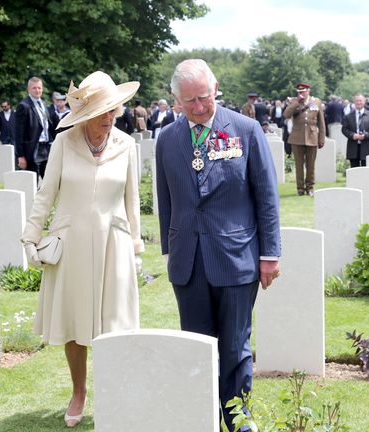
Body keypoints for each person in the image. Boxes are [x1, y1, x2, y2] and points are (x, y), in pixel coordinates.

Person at [155, 59, 281, 430]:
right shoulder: (167, 138)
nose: (197, 107)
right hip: (188, 261)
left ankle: (238, 418)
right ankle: (202, 414)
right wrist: (170, 248)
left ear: (216, 89)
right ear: (175, 100)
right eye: (188, 100)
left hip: (236, 257)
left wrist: (270, 254)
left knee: (235, 345)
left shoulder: (245, 130)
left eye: (204, 97)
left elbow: (267, 196)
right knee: (197, 343)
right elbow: (166, 199)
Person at [21, 71, 143, 428]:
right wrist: (30, 235)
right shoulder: (64, 143)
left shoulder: (125, 145)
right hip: (71, 240)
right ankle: (79, 391)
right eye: (103, 111)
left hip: (114, 242)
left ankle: (114, 393)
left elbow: (132, 200)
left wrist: (136, 245)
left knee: (115, 322)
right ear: (86, 113)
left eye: (114, 110)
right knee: (74, 322)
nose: (110, 117)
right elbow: (47, 193)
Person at [284, 83, 326, 196]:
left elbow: (321, 122)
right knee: (299, 164)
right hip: (297, 137)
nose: (301, 93)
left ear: (308, 91)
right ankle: (300, 188)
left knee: (311, 164)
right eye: (299, 92)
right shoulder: (294, 101)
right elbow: (286, 115)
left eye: (303, 91)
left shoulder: (316, 102)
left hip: (312, 136)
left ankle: (310, 187)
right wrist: (297, 101)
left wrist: (322, 138)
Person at [14, 76, 53, 177]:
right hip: (32, 151)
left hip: (45, 148)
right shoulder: (23, 106)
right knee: (32, 183)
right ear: (28, 89)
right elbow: (18, 133)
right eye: (34, 88)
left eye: (39, 88)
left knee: (49, 182)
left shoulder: (44, 104)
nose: (37, 90)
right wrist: (21, 156)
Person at [342, 94, 369, 167]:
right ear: (354, 102)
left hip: (367, 146)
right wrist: (352, 135)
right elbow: (344, 129)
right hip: (353, 147)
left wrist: (365, 135)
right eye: (357, 101)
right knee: (354, 170)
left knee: (367, 169)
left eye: (360, 101)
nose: (358, 103)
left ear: (364, 102)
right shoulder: (348, 116)